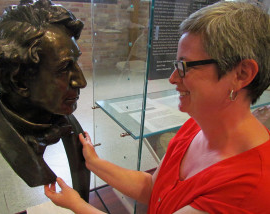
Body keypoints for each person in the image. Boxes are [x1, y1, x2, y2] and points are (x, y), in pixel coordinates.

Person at [45, 1, 270, 213]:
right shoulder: (195, 127)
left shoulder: (247, 187)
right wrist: (94, 163)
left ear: (241, 74)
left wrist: (76, 205)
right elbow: (154, 188)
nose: (172, 78)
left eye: (184, 66)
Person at [0, 0, 90, 202]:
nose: (81, 81)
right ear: (19, 81)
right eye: (64, 68)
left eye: (76, 62)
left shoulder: (66, 119)